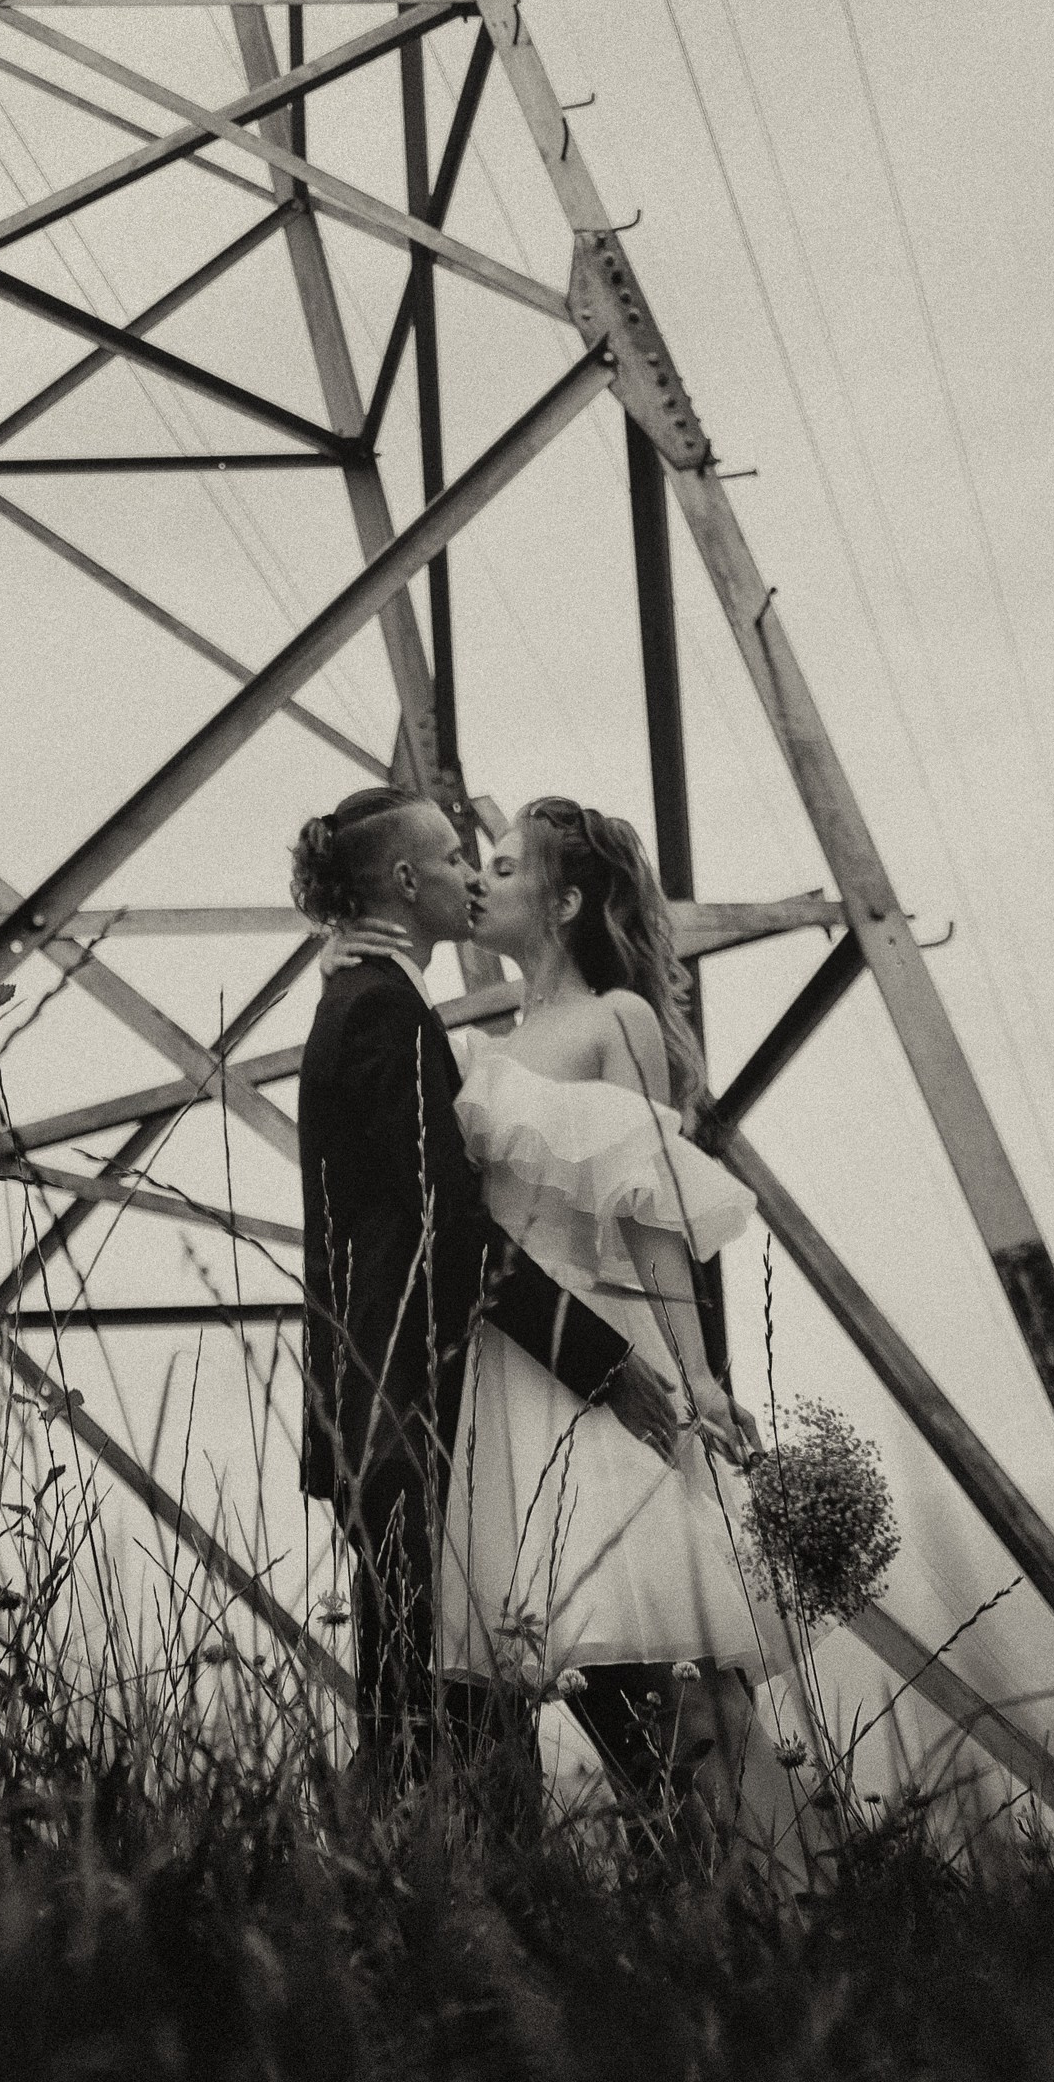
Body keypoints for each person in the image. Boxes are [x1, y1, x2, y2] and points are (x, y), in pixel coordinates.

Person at [293, 784, 682, 1791]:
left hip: (417, 1405)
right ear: (406, 879)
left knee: (455, 1717)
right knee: (429, 1725)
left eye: (494, 863)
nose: (472, 874)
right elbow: (449, 1229)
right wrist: (599, 1360)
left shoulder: (378, 1002)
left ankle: (477, 1908)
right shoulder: (377, 1009)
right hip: (402, 1406)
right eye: (458, 859)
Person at [441, 795, 773, 1848]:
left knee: (671, 1681)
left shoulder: (612, 1021)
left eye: (503, 865)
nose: (479, 878)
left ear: (567, 899)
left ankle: (769, 1880)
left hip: (591, 1368)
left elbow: (652, 1214)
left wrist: (699, 1375)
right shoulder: (483, 1044)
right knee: (520, 1661)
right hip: (498, 1379)